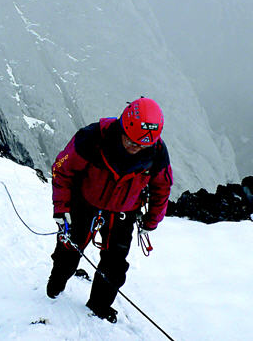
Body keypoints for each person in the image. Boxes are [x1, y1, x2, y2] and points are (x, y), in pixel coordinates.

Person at [47, 97, 173, 323]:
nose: (136, 148)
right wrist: (61, 208)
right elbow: (62, 169)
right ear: (123, 127)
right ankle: (57, 282)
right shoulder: (92, 138)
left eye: (142, 145)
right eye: (132, 141)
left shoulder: (156, 151)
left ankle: (99, 305)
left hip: (124, 211)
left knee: (115, 265)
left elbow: (162, 187)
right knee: (69, 249)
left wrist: (152, 221)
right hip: (84, 202)